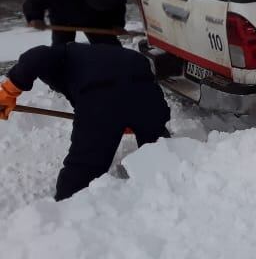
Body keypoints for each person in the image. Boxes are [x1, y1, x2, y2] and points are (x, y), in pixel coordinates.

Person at [0, 43, 171, 201]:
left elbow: (35, 56)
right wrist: (129, 117)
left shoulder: (61, 56)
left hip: (101, 96)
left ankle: (67, 207)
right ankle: (173, 188)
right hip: (145, 92)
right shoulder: (91, 57)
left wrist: (8, 91)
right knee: (159, 147)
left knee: (85, 165)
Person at [24, 0, 127, 45]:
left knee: (108, 46)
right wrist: (35, 18)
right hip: (63, 16)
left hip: (95, 20)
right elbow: (33, 1)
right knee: (62, 48)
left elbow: (119, 9)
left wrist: (118, 25)